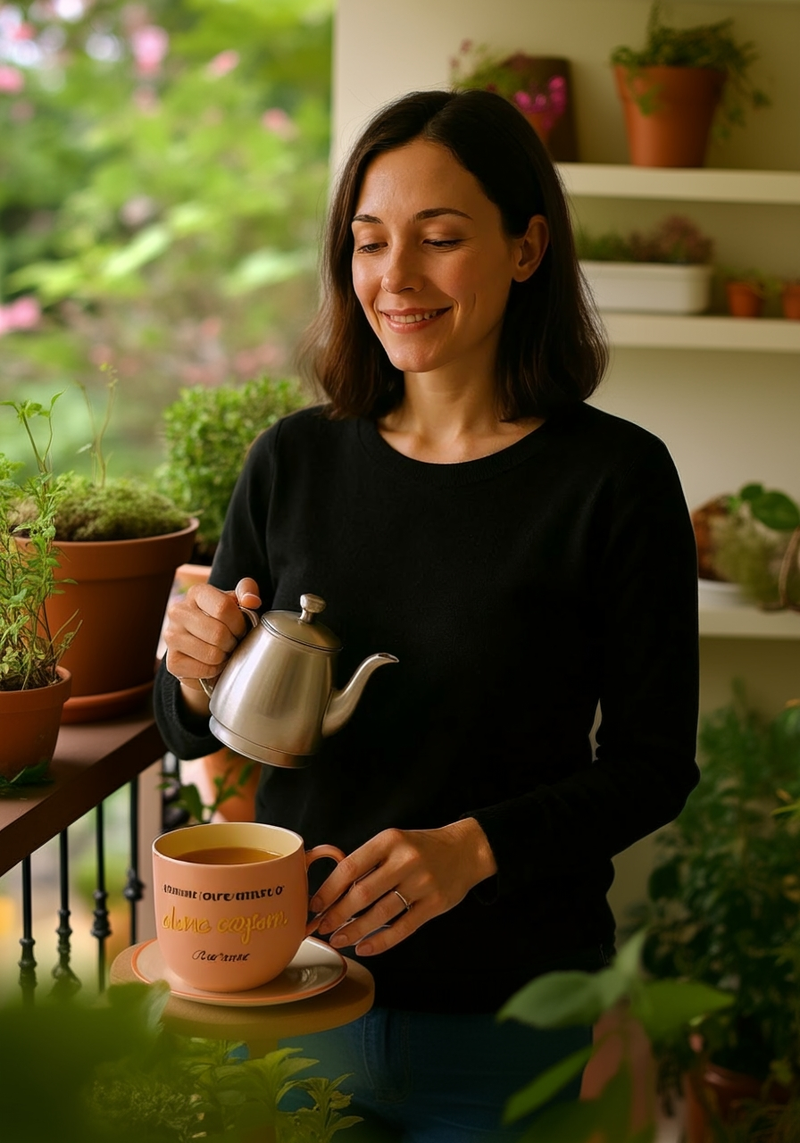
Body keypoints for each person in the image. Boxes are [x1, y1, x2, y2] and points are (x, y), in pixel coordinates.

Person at [154, 88, 700, 1141]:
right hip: (288, 998)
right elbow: (188, 725)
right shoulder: (292, 463)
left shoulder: (613, 478)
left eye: (438, 239)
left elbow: (651, 763)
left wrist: (472, 849)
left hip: (506, 1017)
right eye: (367, 243)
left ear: (526, 246)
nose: (393, 278)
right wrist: (187, 669)